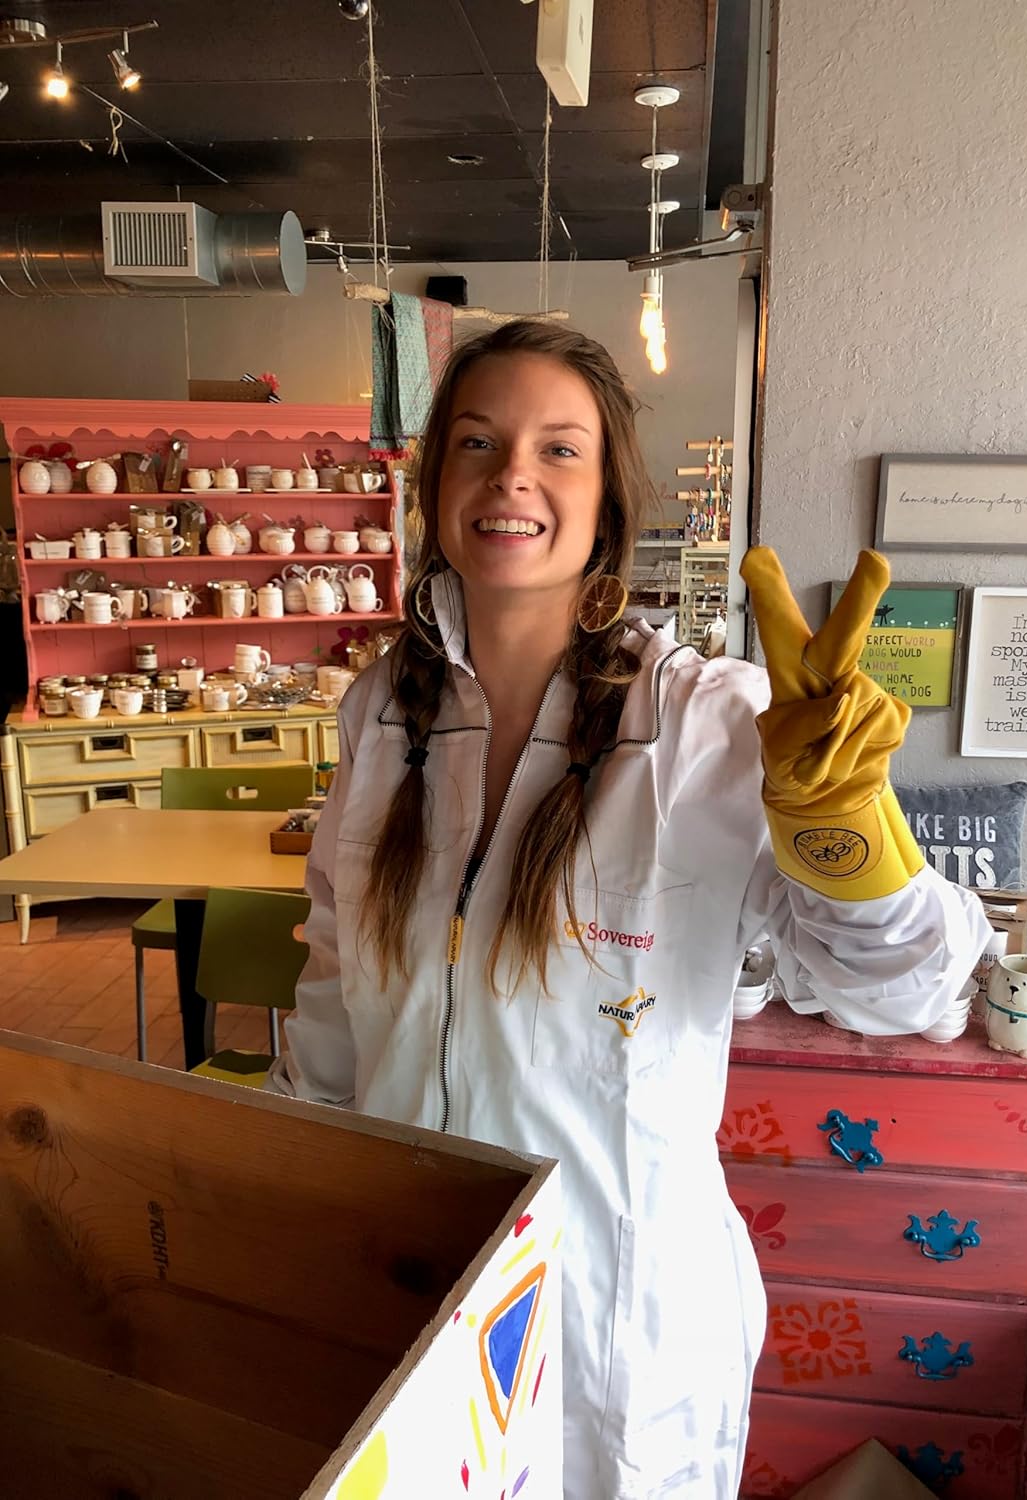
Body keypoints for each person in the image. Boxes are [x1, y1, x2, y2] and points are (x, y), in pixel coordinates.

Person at [268, 320, 990, 1498]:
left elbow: (907, 991)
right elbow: (336, 1000)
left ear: (606, 502)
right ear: (434, 485)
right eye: (477, 442)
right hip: (413, 1295)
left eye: (558, 449)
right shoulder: (380, 717)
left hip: (618, 1337)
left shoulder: (703, 724)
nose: (512, 476)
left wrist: (842, 822)